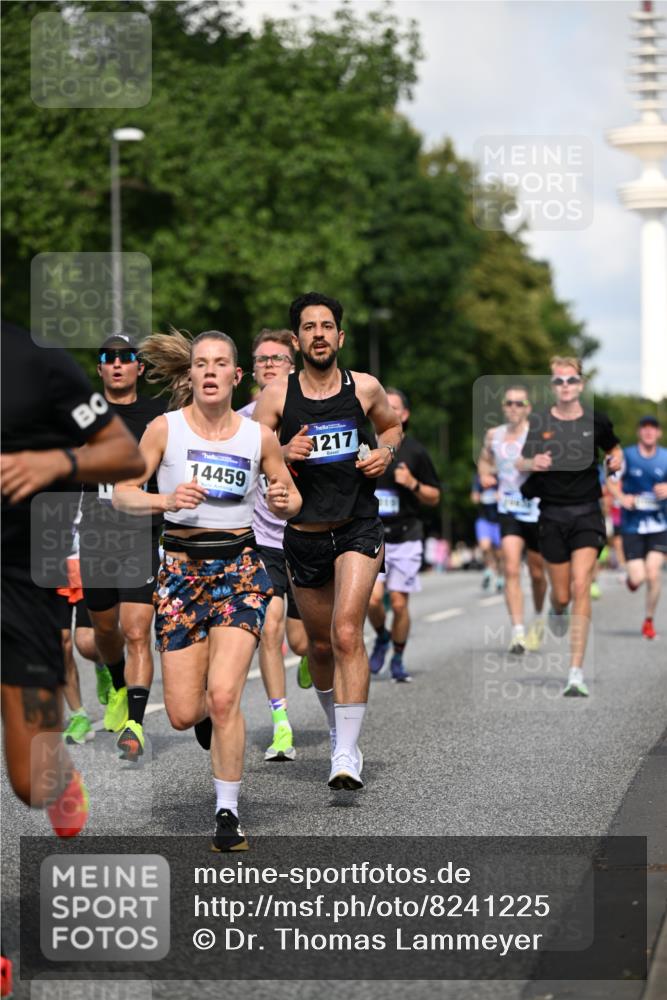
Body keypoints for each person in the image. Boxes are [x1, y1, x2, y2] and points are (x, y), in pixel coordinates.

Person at [114, 328, 300, 851]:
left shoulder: (257, 437)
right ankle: (206, 723)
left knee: (223, 697)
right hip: (179, 576)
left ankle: (227, 813)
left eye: (221, 363)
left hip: (239, 571)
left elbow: (292, 499)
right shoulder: (163, 429)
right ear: (191, 375)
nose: (211, 371)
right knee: (181, 712)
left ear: (235, 376)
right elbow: (124, 496)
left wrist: (285, 501)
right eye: (202, 363)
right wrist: (165, 499)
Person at [253, 292, 402, 791]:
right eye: (309, 327)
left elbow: (392, 426)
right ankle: (340, 729)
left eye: (327, 326)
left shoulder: (365, 388)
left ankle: (344, 754)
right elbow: (246, 452)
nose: (319, 334)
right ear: (296, 341)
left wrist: (385, 454)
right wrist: (280, 449)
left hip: (358, 525)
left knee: (345, 633)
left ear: (341, 336)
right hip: (303, 534)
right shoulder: (277, 397)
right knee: (317, 647)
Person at [1, 321, 144, 835]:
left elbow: (125, 454)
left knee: (31, 781)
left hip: (15, 578)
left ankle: (61, 778)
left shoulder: (34, 360)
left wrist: (56, 462)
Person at [78, 335, 167, 762]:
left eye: (125, 358)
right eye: (108, 358)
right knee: (104, 630)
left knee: (136, 631)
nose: (117, 364)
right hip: (94, 535)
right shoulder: (83, 414)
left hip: (141, 533)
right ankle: (115, 680)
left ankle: (135, 723)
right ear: (99, 368)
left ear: (139, 367)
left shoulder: (157, 414)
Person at [519, 356, 622, 696]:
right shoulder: (540, 421)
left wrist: (616, 459)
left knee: (581, 586)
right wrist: (535, 461)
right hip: (551, 515)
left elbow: (614, 449)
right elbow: (520, 460)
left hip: (587, 513)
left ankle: (575, 672)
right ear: (553, 386)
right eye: (559, 381)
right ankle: (556, 608)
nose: (566, 386)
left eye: (572, 380)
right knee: (561, 595)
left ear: (581, 384)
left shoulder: (597, 420)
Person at [238, 328, 309, 761]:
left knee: (305, 642)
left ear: (292, 365)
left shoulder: (311, 410)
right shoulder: (242, 419)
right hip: (264, 539)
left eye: (277, 358)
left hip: (309, 536)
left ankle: (312, 655)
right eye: (262, 358)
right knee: (271, 628)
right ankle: (281, 725)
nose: (269, 364)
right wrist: (281, 451)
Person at [368, 387, 440, 681]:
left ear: (405, 415)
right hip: (372, 535)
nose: (386, 408)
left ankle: (397, 656)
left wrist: (412, 483)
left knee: (399, 603)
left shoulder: (416, 452)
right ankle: (382, 637)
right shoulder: (364, 444)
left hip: (406, 534)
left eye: (393, 406)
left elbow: (435, 496)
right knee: (372, 601)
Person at [477, 385, 547, 654]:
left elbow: (551, 464)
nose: (514, 408)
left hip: (537, 510)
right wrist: (485, 474)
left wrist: (528, 464)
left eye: (520, 404)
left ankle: (539, 616)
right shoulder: (494, 435)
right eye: (510, 403)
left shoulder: (537, 434)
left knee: (539, 574)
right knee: (511, 569)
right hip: (509, 509)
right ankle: (518, 633)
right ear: (504, 407)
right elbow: (484, 461)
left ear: (528, 408)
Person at [611, 415, 667, 639]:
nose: (649, 432)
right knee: (638, 577)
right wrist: (621, 497)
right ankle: (630, 580)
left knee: (653, 574)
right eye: (644, 428)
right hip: (632, 525)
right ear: (639, 432)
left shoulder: (665, 457)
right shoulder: (627, 455)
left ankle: (649, 620)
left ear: (659, 433)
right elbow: (610, 480)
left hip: (659, 524)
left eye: (653, 428)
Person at [470, 474, 503, 591]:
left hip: (499, 520)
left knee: (500, 554)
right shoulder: (478, 477)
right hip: (484, 519)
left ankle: (500, 576)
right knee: (485, 547)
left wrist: (501, 496)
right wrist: (480, 497)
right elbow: (473, 498)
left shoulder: (502, 475)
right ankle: (489, 569)